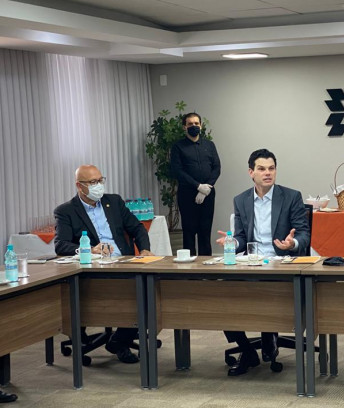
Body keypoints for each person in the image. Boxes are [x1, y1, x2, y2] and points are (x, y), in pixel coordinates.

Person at [216, 148, 310, 376]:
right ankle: (247, 351)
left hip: (280, 263)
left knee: (268, 291)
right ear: (251, 172)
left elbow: (304, 234)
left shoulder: (291, 196)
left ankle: (270, 332)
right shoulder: (241, 200)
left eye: (271, 168)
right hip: (251, 262)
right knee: (220, 294)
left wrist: (292, 244)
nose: (268, 173)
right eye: (261, 169)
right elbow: (241, 238)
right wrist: (232, 243)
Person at [54, 164, 153, 364]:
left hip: (124, 263)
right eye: (93, 182)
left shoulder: (114, 202)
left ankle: (118, 340)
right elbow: (60, 244)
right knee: (132, 293)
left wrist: (144, 250)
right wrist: (89, 250)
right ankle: (121, 341)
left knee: (149, 289)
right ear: (79, 186)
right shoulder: (66, 211)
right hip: (94, 270)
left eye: (100, 180)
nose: (99, 185)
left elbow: (137, 228)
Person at [171, 112, 221, 256]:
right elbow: (177, 170)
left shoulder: (209, 145)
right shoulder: (178, 147)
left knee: (205, 232)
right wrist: (198, 186)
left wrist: (206, 188)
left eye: (196, 123)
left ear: (201, 125)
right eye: (190, 124)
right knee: (189, 232)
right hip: (187, 195)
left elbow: (217, 168)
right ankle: (189, 267)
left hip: (208, 194)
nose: (194, 126)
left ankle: (206, 265)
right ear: (184, 127)